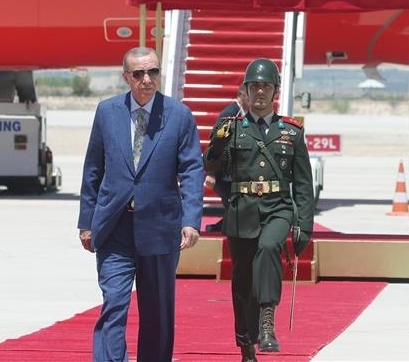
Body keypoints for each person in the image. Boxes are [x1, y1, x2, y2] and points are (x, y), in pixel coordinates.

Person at [77, 46, 204, 361]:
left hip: (160, 228)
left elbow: (192, 170)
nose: (147, 80)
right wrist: (86, 222)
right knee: (114, 303)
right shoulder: (107, 112)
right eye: (139, 74)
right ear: (126, 77)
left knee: (157, 311)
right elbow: (93, 169)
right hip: (115, 226)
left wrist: (191, 220)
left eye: (153, 72)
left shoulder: (179, 115)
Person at [204, 58, 315, 361]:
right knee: (242, 281)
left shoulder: (291, 132)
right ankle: (246, 345)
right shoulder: (232, 129)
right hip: (242, 210)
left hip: (278, 208)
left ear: (275, 91)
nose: (260, 92)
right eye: (254, 86)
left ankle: (267, 322)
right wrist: (217, 143)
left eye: (266, 86)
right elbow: (210, 165)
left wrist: (304, 226)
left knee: (268, 247)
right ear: (246, 91)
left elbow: (303, 183)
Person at [204, 86, 250, 231]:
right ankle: (217, 229)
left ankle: (216, 228)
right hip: (222, 174)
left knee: (237, 208)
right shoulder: (230, 114)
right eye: (250, 95)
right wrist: (211, 173)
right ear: (241, 96)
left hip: (235, 173)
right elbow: (216, 143)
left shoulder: (247, 114)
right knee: (237, 207)